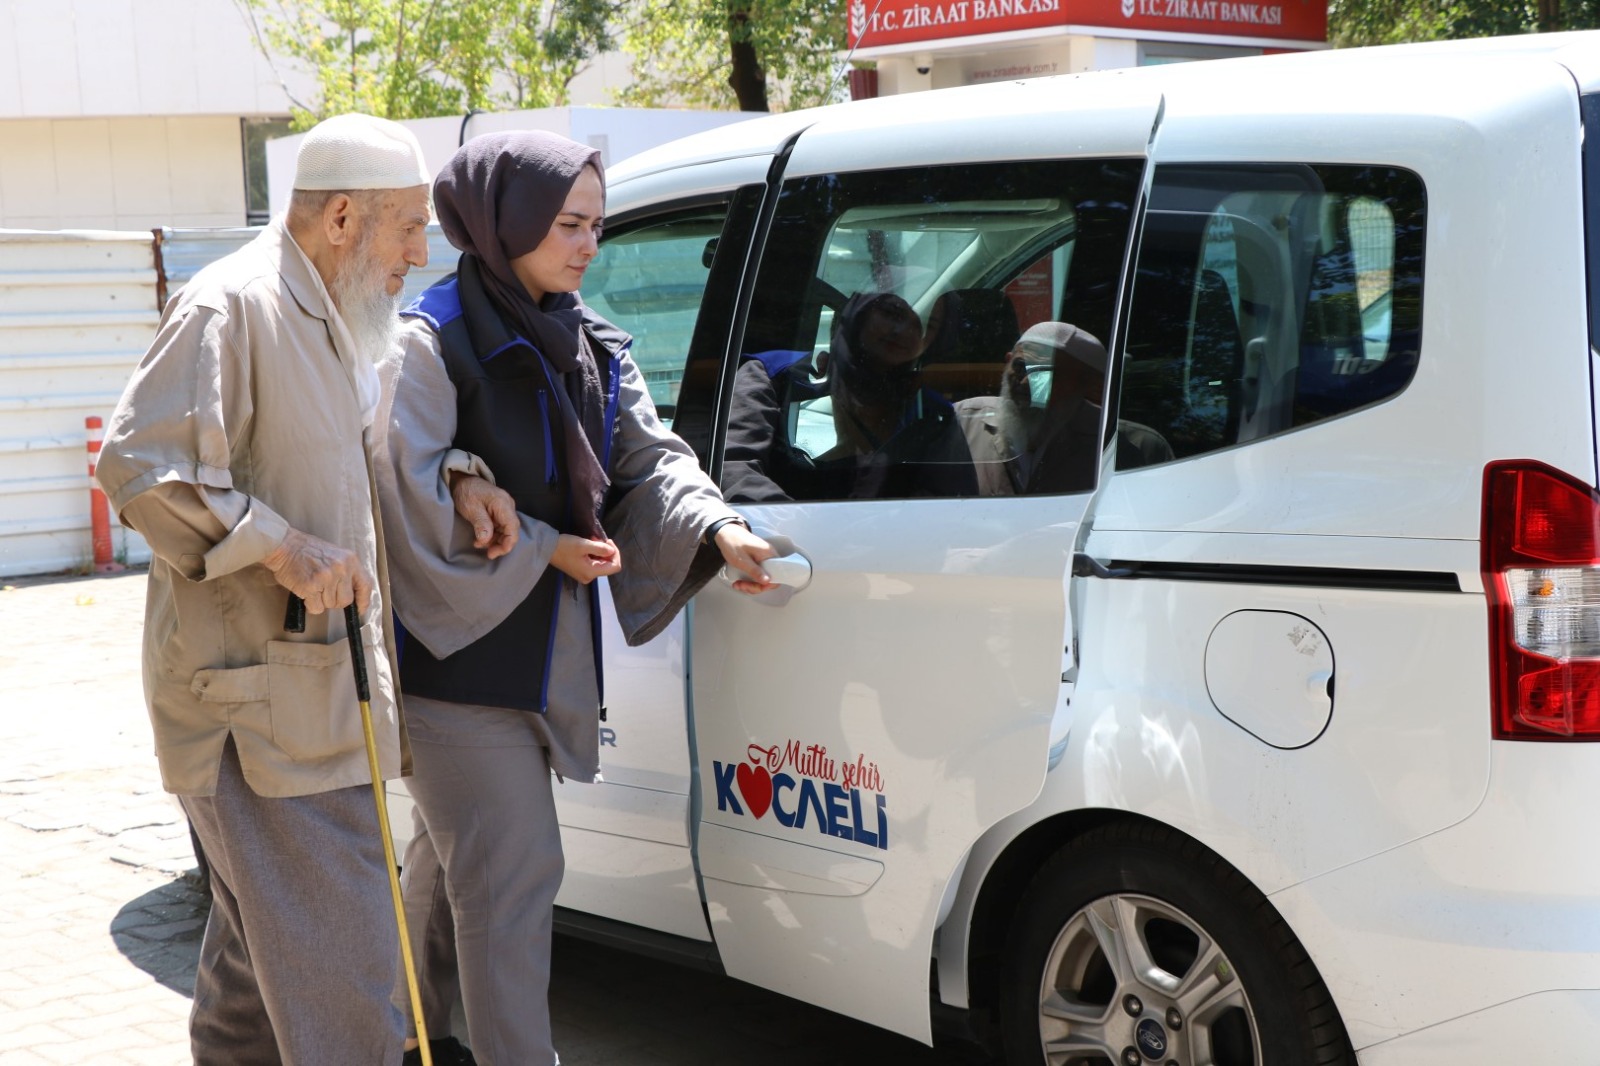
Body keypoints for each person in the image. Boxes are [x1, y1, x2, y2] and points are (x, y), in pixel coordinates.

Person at [372, 131, 776, 1066]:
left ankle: (401, 1037)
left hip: (540, 654)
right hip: (454, 662)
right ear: (505, 221)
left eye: (597, 223)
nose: (589, 242)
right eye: (568, 223)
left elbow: (648, 456)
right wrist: (549, 547)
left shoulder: (588, 338)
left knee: (453, 862)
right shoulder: (428, 344)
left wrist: (716, 526)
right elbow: (410, 508)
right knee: (514, 876)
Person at [94, 113, 432, 1064]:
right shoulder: (233, 306)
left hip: (310, 702)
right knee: (353, 997)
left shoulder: (337, 315)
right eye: (406, 226)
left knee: (252, 997)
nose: (417, 252)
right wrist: (282, 550)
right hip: (259, 718)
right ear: (339, 220)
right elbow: (140, 467)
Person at [959, 320, 1173, 494]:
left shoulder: (1133, 447)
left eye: (1045, 373)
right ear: (1007, 361)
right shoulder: (962, 421)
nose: (1026, 382)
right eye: (1021, 367)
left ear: (1089, 386)